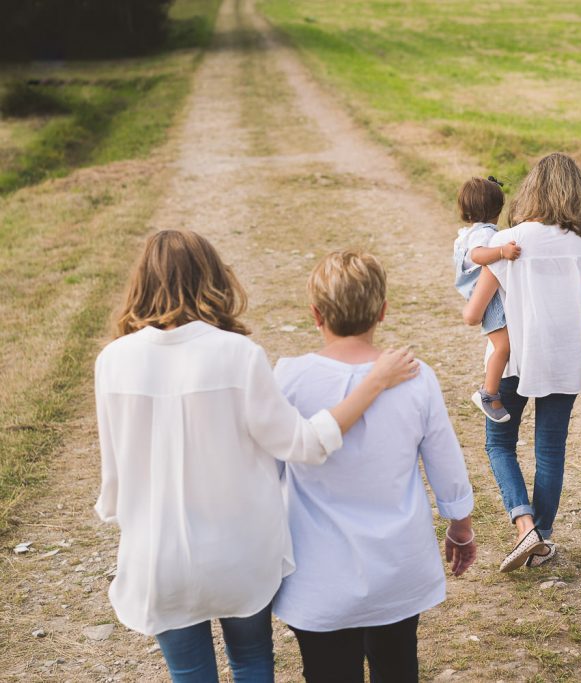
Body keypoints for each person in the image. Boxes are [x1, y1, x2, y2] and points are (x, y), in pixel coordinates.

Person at [93, 230, 417, 682]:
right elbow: (303, 444)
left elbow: (114, 477)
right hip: (239, 554)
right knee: (250, 663)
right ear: (214, 279)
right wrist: (374, 382)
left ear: (141, 281)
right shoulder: (238, 354)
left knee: (189, 673)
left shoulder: (112, 361)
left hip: (158, 555)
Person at [273, 250, 476, 683]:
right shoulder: (416, 377)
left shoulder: (289, 379)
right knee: (397, 666)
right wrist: (460, 526)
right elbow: (447, 465)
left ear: (315, 314)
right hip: (396, 568)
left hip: (318, 573)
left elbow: (266, 470)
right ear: (383, 311)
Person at [463, 152, 581, 572]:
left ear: (532, 190)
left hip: (514, 360)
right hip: (565, 361)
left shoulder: (508, 241)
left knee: (498, 443)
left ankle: (524, 524)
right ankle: (540, 538)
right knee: (550, 450)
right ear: (578, 193)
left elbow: (477, 309)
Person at [452, 175, 521, 422]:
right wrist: (502, 251)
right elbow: (478, 255)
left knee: (503, 345)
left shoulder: (468, 233)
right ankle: (489, 393)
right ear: (498, 209)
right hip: (487, 298)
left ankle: (490, 392)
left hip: (481, 294)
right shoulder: (484, 235)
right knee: (503, 346)